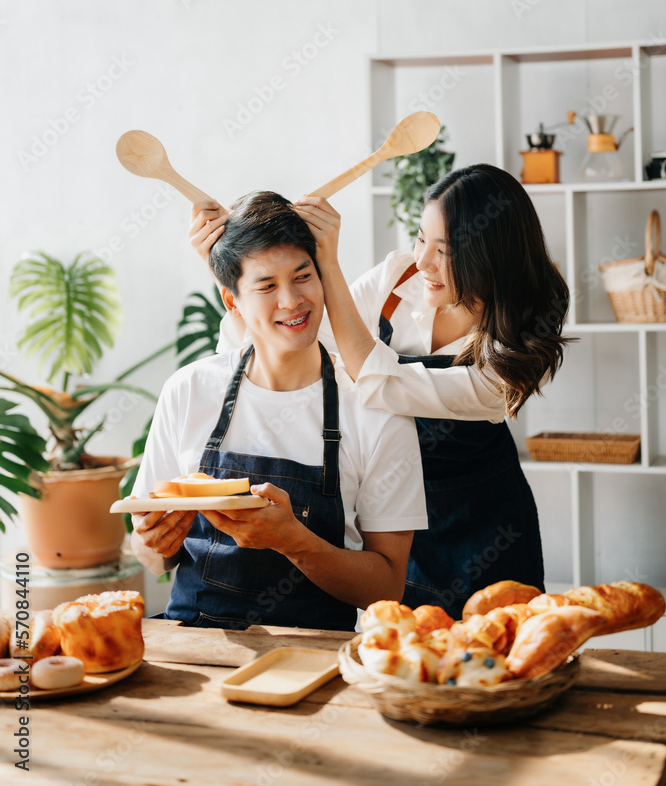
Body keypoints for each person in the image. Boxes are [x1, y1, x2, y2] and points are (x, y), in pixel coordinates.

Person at [189, 164, 570, 619]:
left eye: (443, 250)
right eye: (420, 238)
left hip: (483, 525)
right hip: (392, 520)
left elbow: (377, 382)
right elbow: (299, 342)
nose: (423, 261)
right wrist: (231, 272)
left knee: (499, 655)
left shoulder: (517, 349)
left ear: (491, 256)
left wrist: (327, 262)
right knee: (402, 661)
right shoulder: (398, 280)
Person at [131, 191, 427, 630]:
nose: (291, 301)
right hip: (194, 646)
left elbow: (386, 588)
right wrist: (155, 541)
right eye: (267, 286)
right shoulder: (189, 389)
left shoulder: (375, 409)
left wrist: (295, 541)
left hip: (315, 662)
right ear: (232, 301)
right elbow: (154, 560)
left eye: (303, 276)